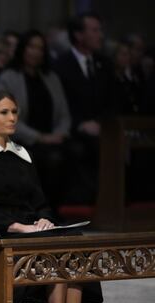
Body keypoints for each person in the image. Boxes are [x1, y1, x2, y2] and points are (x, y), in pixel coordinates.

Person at [0, 90, 102, 303]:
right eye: (4, 112)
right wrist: (18, 226)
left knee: (74, 243)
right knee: (54, 247)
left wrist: (44, 218)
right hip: (0, 232)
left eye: (14, 112)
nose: (12, 118)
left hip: (32, 229)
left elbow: (39, 199)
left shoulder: (22, 153)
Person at [0, 29, 71, 208]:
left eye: (40, 48)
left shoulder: (51, 78)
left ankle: (55, 209)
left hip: (53, 139)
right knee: (48, 159)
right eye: (31, 47)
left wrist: (59, 134)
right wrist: (39, 137)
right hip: (21, 139)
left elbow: (64, 114)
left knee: (70, 154)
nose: (36, 52)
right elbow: (4, 116)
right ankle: (40, 210)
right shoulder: (9, 77)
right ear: (22, 49)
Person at [53, 12, 113, 204]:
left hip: (104, 128)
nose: (100, 35)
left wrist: (101, 122)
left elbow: (113, 99)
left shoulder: (105, 63)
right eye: (95, 30)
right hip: (73, 130)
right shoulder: (60, 65)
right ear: (79, 35)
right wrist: (79, 124)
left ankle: (109, 205)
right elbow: (60, 104)